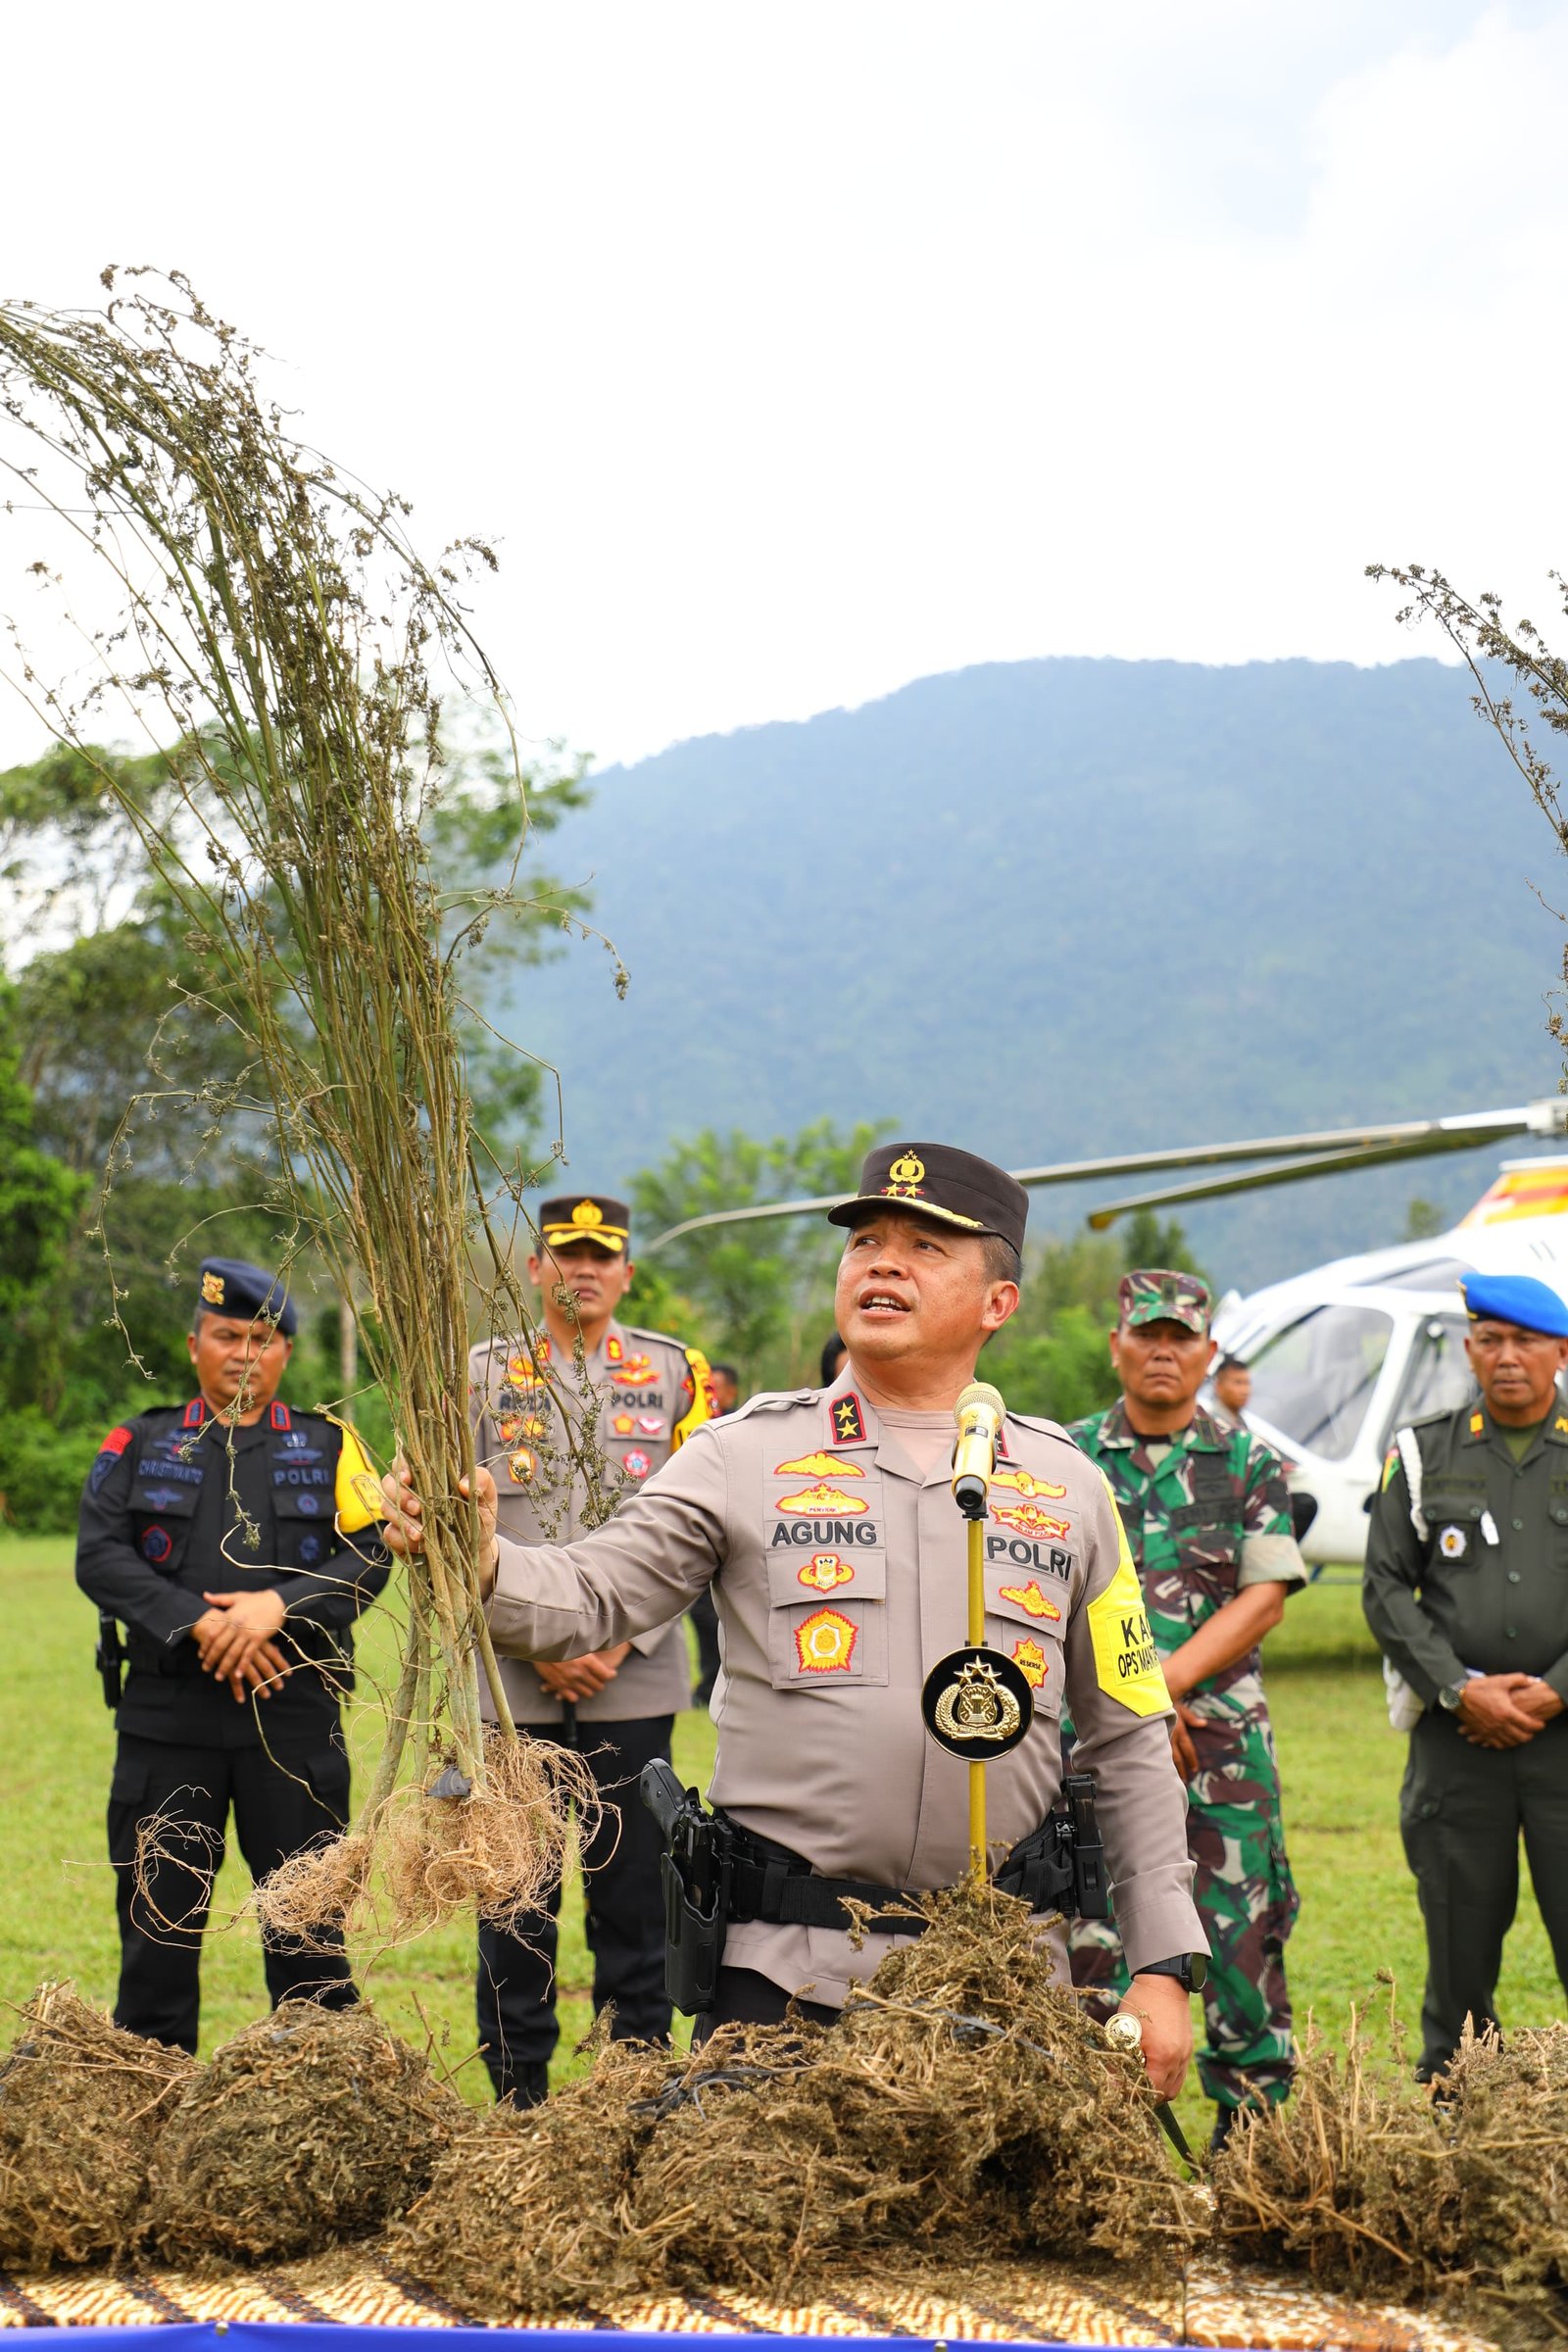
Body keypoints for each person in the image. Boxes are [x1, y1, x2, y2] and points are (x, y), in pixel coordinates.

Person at [389, 1143, 1206, 2101]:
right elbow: (592, 1593)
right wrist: (479, 1559)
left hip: (1002, 1980)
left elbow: (1130, 1738)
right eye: (865, 1240)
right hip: (779, 1984)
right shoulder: (741, 1455)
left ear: (997, 1303)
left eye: (926, 1247)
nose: (883, 1262)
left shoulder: (1068, 1484)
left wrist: (1160, 1967)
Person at [74, 1257, 388, 2055]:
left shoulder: (332, 1447)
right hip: (166, 1726)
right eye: (226, 1336)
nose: (243, 1354)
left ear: (284, 1352)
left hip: (293, 1727)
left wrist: (274, 1608)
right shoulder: (142, 1443)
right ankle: (151, 2115)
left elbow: (375, 1552)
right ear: (193, 1345)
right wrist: (200, 1624)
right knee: (157, 1943)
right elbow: (100, 1554)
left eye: (261, 1338)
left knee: (309, 1941)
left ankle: (318, 2105)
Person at [467, 1193, 712, 2105]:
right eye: (565, 1255)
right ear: (535, 1268)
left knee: (635, 1901)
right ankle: (518, 2094)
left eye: (600, 1257)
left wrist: (614, 1632)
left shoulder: (673, 1375)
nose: (583, 1271)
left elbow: (701, 1528)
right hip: (516, 1683)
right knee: (513, 1900)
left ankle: (631, 2086)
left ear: (626, 1273)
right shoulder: (481, 1376)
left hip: (632, 1679)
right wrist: (536, 1644)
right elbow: (458, 1528)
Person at [1068, 1269, 1306, 2145]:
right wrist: (1131, 1707)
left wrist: (1155, 1691)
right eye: (1146, 1335)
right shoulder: (1066, 1459)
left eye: (1181, 1338)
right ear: (1118, 1346)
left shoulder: (1249, 1461)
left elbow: (1266, 1595)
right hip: (1093, 1749)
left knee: (1242, 1945)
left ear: (1208, 1353)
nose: (1163, 1351)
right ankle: (1103, 2160)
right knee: (1093, 1946)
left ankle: (1252, 2160)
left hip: (1219, 1754)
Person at [1363, 1270, 1568, 2082]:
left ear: (1561, 1351)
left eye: (1524, 1341)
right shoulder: (1421, 1451)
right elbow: (1385, 1586)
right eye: (1490, 1339)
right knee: (1459, 1964)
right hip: (1459, 1748)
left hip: (1566, 1743)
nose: (1506, 1356)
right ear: (1470, 1349)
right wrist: (1459, 1688)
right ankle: (1460, 2152)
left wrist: (1560, 1687)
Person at [689, 1362, 742, 1706]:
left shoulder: (740, 1429)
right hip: (702, 1533)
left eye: (718, 1386)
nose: (712, 1393)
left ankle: (712, 1683)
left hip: (730, 1535)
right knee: (700, 1613)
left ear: (732, 1392)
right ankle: (708, 1680)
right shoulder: (698, 1424)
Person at [1210, 1356, 1251, 1424]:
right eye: (1238, 1382)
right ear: (1219, 1387)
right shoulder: (1211, 1424)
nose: (1245, 1391)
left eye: (1247, 1383)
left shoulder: (1240, 1422)